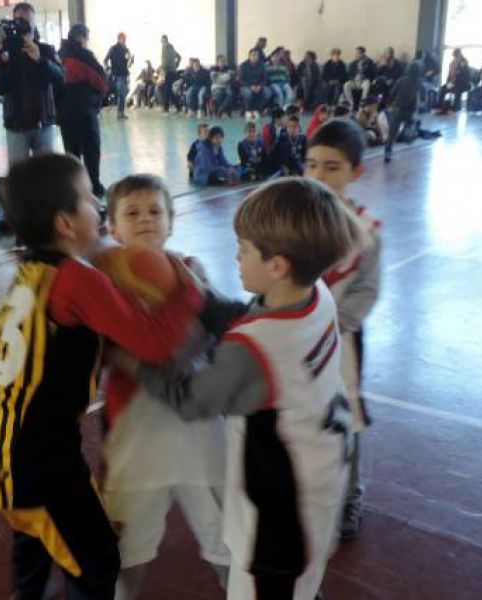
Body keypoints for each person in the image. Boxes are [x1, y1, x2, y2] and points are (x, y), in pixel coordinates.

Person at [0, 153, 205, 600]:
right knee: (98, 562)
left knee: (33, 527)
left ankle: (27, 593)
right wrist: (189, 287)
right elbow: (153, 343)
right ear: (65, 224)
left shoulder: (31, 270)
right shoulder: (76, 281)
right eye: (91, 199)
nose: (99, 206)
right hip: (36, 456)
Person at [108, 177, 366, 599]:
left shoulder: (255, 348)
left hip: (278, 507)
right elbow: (243, 315)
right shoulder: (316, 295)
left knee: (267, 584)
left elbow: (190, 400)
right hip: (320, 472)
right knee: (302, 578)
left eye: (243, 249)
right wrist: (201, 294)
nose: (236, 256)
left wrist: (131, 363)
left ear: (277, 266)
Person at [102, 174, 230, 600]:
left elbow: (213, 336)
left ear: (172, 221)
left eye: (155, 211)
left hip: (199, 429)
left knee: (226, 536)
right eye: (132, 213)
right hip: (135, 432)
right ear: (112, 228)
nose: (145, 221)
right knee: (125, 545)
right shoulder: (104, 283)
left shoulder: (193, 272)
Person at [305, 118, 382, 542]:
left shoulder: (367, 231)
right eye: (312, 164)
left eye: (332, 167)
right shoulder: (292, 219)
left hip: (343, 341)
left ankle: (350, 494)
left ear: (356, 172)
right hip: (295, 337)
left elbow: (367, 290)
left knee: (344, 415)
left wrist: (329, 325)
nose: (318, 176)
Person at [0, 2, 64, 168]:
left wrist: (40, 60)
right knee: (18, 178)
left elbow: (60, 78)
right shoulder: (5, 52)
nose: (22, 26)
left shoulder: (45, 50)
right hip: (16, 126)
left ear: (33, 23)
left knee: (46, 176)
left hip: (43, 124)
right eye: (18, 21)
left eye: (26, 22)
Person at [59, 24, 109, 197]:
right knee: (91, 150)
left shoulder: (59, 55)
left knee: (71, 152)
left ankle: (74, 187)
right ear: (81, 37)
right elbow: (101, 81)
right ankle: (93, 185)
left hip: (65, 113)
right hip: (85, 110)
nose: (87, 42)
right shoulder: (83, 56)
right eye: (86, 38)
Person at [384, 61, 422, 162]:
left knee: (392, 134)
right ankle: (409, 136)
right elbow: (419, 99)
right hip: (410, 111)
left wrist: (389, 104)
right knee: (410, 128)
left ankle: (388, 153)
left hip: (397, 109)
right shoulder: (419, 83)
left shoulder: (400, 81)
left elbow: (391, 94)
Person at [105, 32, 134, 119]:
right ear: (119, 39)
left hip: (124, 74)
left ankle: (121, 112)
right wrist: (108, 68)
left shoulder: (126, 49)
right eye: (123, 39)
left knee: (123, 93)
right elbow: (105, 60)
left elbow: (128, 63)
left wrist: (131, 60)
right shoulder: (113, 48)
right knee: (121, 93)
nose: (124, 41)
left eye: (125, 39)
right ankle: (119, 112)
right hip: (117, 74)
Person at [238, 48, 271, 121]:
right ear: (249, 56)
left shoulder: (262, 65)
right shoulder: (243, 65)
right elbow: (240, 80)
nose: (254, 57)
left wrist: (260, 86)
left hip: (259, 86)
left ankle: (258, 109)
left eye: (256, 55)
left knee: (267, 92)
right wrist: (250, 86)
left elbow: (265, 78)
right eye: (253, 55)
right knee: (248, 93)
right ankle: (248, 110)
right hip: (246, 86)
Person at [437, 48, 470, 113]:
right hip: (453, 83)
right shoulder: (452, 63)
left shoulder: (464, 62)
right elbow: (449, 75)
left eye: (456, 56)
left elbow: (464, 74)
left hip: (463, 83)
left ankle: (455, 108)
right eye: (454, 56)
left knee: (457, 90)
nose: (455, 57)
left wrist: (458, 71)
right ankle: (439, 106)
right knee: (443, 88)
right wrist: (448, 82)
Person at [343, 47, 376, 111]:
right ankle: (351, 103)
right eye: (356, 53)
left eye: (358, 53)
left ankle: (362, 103)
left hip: (364, 81)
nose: (357, 55)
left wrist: (363, 70)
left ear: (363, 53)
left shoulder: (369, 62)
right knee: (346, 85)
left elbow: (372, 74)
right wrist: (353, 78)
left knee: (367, 84)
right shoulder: (353, 63)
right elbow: (349, 74)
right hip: (355, 82)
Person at [160, 35, 182, 114]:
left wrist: (174, 66)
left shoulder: (167, 48)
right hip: (169, 71)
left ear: (166, 40)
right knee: (168, 90)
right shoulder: (168, 47)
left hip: (169, 72)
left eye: (163, 40)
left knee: (167, 90)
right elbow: (179, 57)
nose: (163, 42)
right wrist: (176, 65)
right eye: (162, 41)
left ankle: (166, 109)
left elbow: (166, 61)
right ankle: (178, 106)